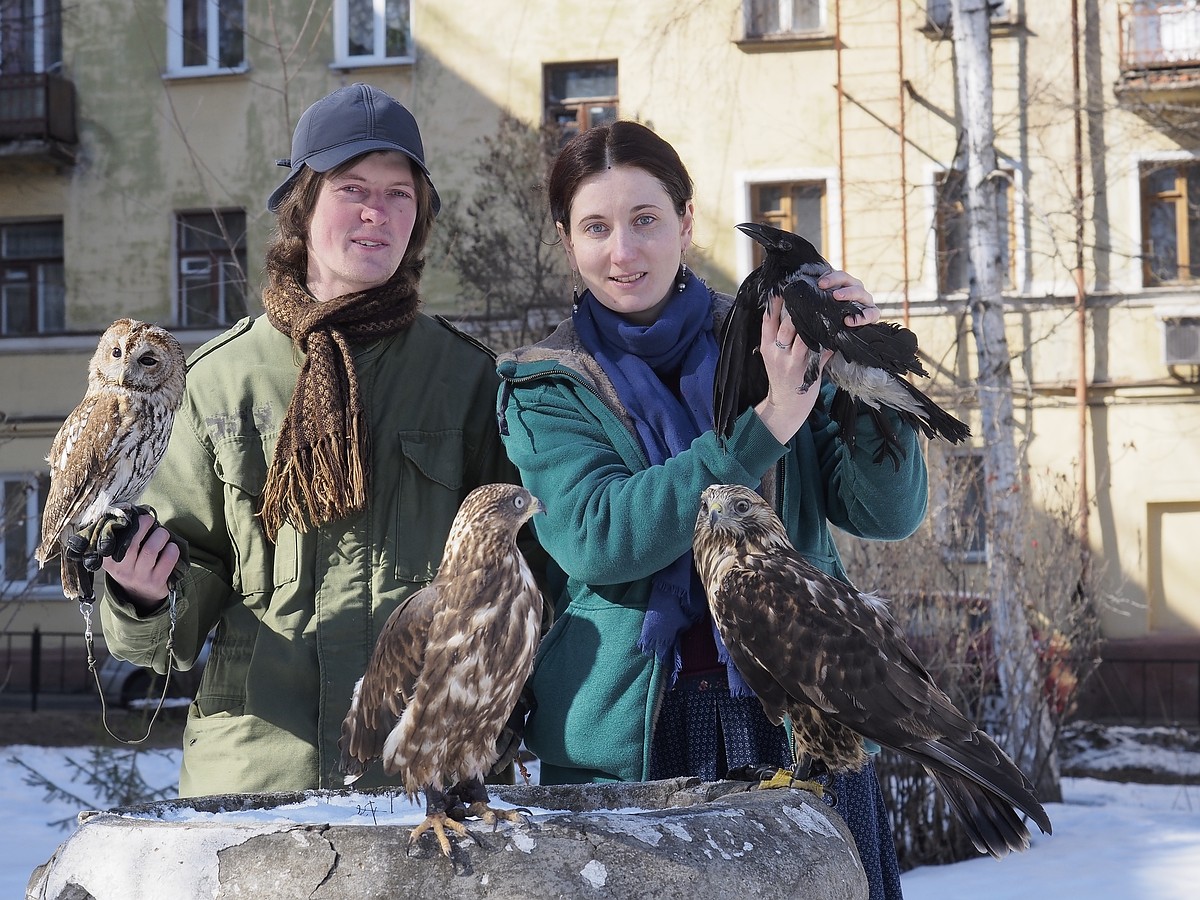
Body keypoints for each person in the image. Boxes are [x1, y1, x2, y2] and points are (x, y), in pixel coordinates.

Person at [495, 120, 927, 900]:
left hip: (803, 717)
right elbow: (600, 538)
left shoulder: (775, 341)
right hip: (631, 736)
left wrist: (869, 376)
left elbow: (883, 510)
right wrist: (757, 436)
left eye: (646, 220)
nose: (623, 252)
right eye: (596, 227)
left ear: (687, 223)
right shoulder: (541, 387)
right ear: (566, 239)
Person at [96, 83, 520, 797]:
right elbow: (173, 623)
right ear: (303, 204)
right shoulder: (216, 381)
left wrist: (502, 719)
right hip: (257, 774)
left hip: (425, 776)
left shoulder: (467, 379)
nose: (376, 212)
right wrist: (144, 595)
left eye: (399, 194)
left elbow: (518, 574)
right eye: (352, 187)